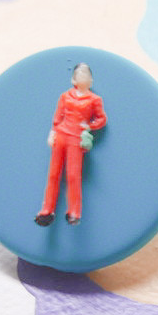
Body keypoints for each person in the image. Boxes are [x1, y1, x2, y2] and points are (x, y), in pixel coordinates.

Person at [35, 63, 107, 226]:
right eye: (79, 74)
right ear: (73, 79)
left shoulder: (94, 99)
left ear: (90, 79)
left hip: (76, 139)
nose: (82, 77)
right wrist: (53, 132)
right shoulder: (65, 96)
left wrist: (89, 126)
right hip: (61, 135)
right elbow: (58, 116)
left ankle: (74, 212)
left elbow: (102, 119)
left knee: (73, 175)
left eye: (85, 74)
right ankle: (47, 211)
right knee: (53, 174)